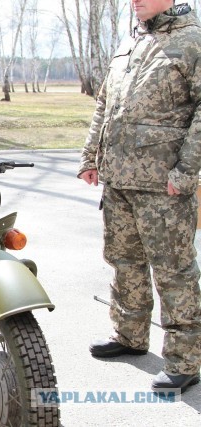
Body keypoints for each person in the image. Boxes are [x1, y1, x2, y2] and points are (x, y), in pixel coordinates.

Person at [78, 0, 201, 393]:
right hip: (119, 179)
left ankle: (186, 360)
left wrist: (184, 173)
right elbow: (105, 104)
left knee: (174, 271)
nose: (135, 0)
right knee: (123, 260)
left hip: (162, 184)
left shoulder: (192, 41)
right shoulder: (130, 42)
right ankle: (129, 335)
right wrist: (90, 156)